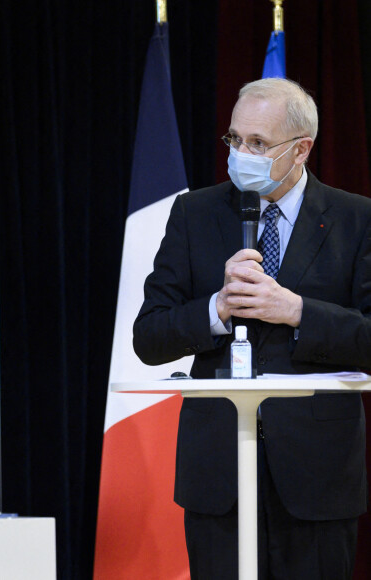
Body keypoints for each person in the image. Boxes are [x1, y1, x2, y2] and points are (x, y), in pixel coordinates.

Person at [133, 78, 371, 579]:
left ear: (301, 149)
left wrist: (298, 310)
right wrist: (217, 308)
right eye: (234, 140)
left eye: (258, 144)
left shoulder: (356, 218)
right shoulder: (194, 213)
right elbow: (148, 337)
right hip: (217, 472)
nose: (242, 153)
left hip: (317, 475)